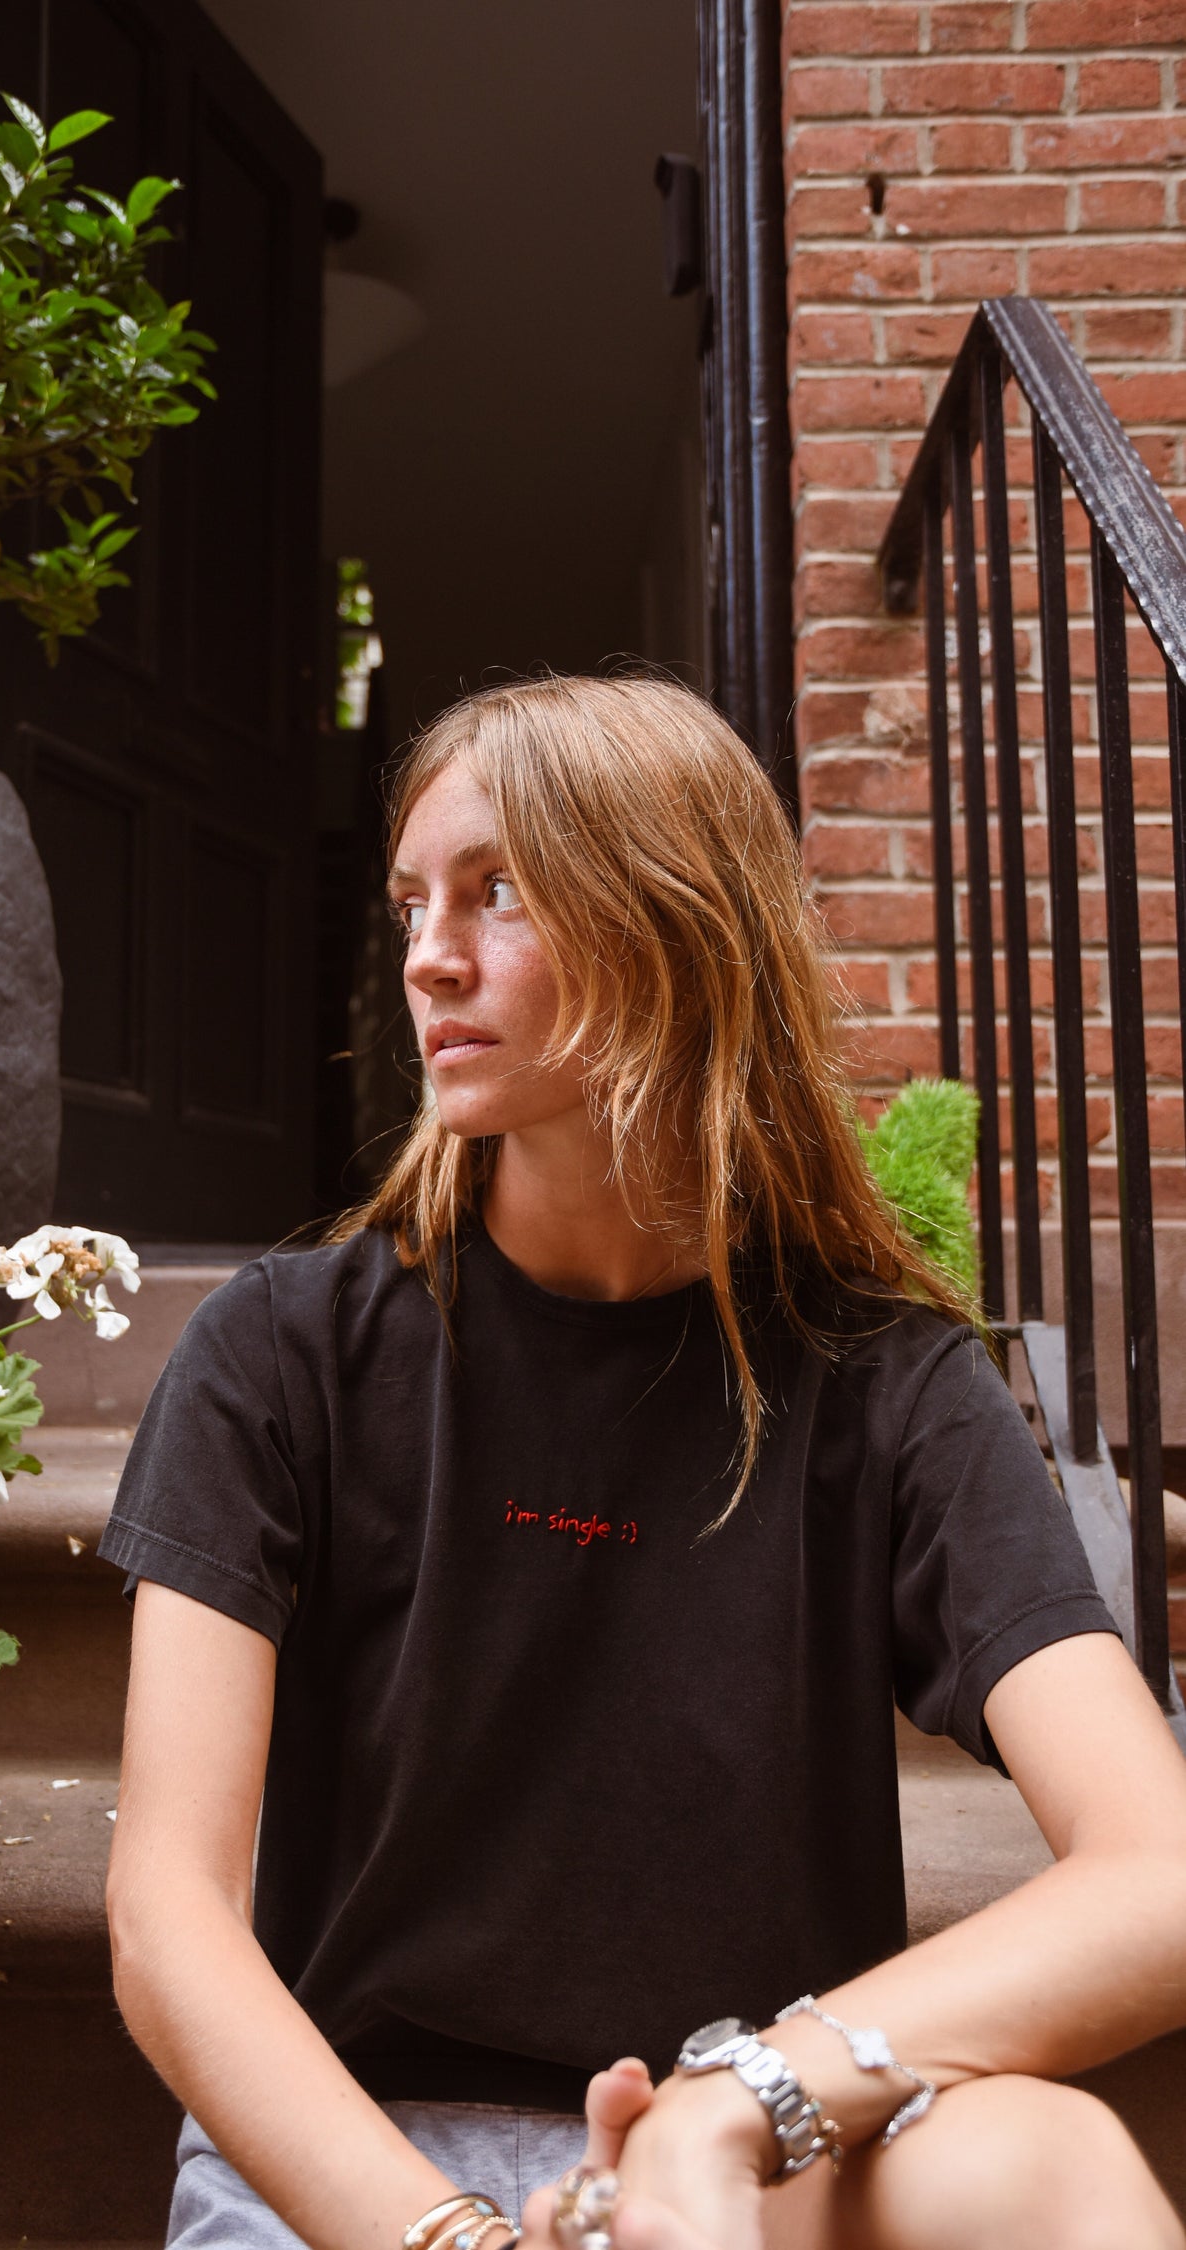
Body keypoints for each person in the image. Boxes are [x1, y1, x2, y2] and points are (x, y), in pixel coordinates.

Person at [100, 675, 1186, 2250]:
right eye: (411, 901)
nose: (428, 955)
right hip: (360, 2161)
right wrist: (460, 2237)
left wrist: (729, 2108)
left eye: (499, 891)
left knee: (1058, 2163)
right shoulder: (283, 1354)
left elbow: (1161, 1876)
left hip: (750, 2162)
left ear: (675, 924)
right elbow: (168, 1917)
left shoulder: (889, 1388)